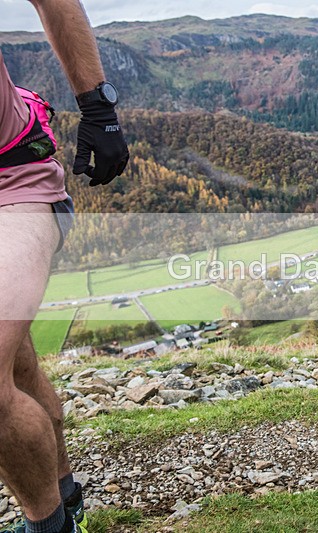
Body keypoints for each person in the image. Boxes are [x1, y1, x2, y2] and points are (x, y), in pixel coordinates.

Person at [0, 1, 128, 532]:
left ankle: (50, 526)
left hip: (12, 178)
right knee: (16, 366)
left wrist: (98, 106)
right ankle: (64, 493)